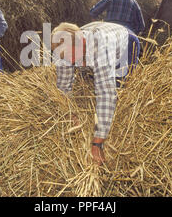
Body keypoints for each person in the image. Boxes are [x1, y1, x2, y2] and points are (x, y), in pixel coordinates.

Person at [52, 21, 141, 166]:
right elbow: (63, 85)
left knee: (120, 86)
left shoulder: (101, 50)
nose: (70, 61)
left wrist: (97, 142)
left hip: (125, 39)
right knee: (88, 75)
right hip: (95, 32)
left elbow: (106, 94)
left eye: (72, 56)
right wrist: (71, 112)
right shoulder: (64, 50)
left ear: (81, 43)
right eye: (66, 58)